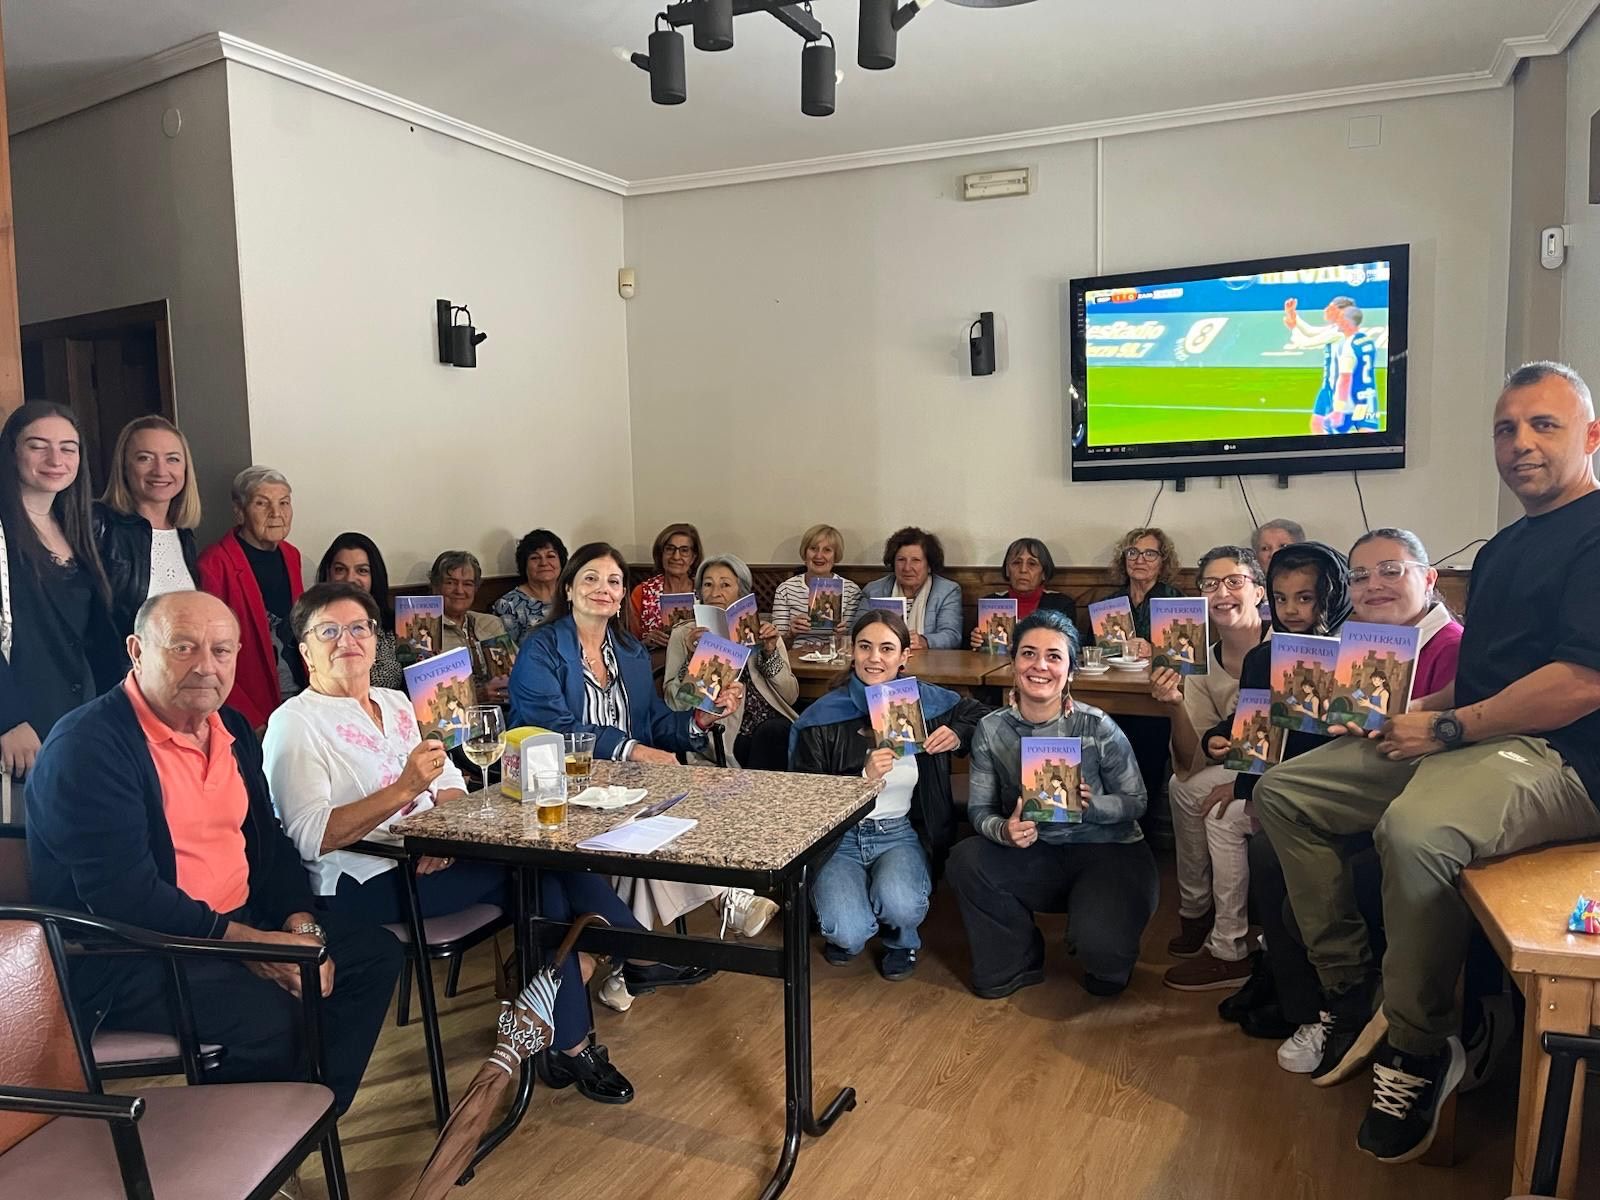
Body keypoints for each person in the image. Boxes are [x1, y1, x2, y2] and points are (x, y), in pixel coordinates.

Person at [1255, 363, 1600, 1168]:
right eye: (1505, 429)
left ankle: (1418, 1044)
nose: (1520, 444)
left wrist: (1444, 728)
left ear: (1590, 436)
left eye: (1544, 425)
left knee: (1415, 830)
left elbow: (1579, 682)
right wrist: (1417, 716)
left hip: (1565, 757)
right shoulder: (1510, 543)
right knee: (1284, 792)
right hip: (1479, 736)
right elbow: (1487, 672)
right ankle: (1349, 987)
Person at [263, 582, 642, 1104]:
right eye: (328, 630)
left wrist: (441, 818)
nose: (346, 640)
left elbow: (448, 779)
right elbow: (310, 837)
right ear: (305, 650)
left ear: (376, 643)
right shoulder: (293, 723)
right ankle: (623, 961)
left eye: (358, 629)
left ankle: (571, 1031)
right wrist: (405, 794)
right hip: (363, 880)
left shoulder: (396, 701)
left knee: (545, 885)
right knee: (543, 878)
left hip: (433, 856)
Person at [25, 590, 401, 1114]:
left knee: (373, 956)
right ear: (137, 651)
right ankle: (250, 1144)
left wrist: (300, 928)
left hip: (234, 922)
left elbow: (269, 847)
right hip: (130, 952)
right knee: (272, 1013)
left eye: (222, 651)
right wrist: (252, 949)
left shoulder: (233, 729)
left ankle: (303, 1124)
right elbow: (123, 898)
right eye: (183, 647)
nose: (206, 667)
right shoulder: (88, 747)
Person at [1255, 527, 1465, 1076]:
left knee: (1280, 821)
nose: (1374, 585)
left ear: (1429, 577)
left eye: (1391, 570)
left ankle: (1352, 999)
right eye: (1362, 575)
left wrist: (1407, 716)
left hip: (1426, 800)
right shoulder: (1360, 643)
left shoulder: (1457, 646)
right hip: (1356, 795)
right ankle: (1323, 998)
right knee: (1265, 838)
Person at [509, 542, 775, 968]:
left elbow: (655, 725)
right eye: (590, 579)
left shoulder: (629, 653)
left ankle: (622, 965)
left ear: (620, 597)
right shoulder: (541, 649)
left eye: (614, 581)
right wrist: (632, 750)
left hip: (622, 791)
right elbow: (555, 729)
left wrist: (701, 720)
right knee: (650, 827)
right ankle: (712, 910)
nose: (603, 588)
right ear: (570, 589)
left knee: (679, 807)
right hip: (558, 794)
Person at [946, 609, 1158, 998]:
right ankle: (1017, 957)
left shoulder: (1098, 726)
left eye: (1054, 656)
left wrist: (1094, 807)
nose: (1039, 665)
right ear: (1012, 665)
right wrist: (1004, 830)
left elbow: (1137, 801)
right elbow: (978, 810)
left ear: (1071, 672)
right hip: (1036, 850)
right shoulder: (992, 729)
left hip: (1107, 848)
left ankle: (1099, 939)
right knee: (966, 859)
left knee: (1104, 961)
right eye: (1028, 654)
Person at [790, 608, 988, 980]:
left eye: (886, 648)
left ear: (904, 657)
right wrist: (860, 778)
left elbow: (983, 715)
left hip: (899, 832)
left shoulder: (927, 703)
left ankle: (902, 938)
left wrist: (959, 733)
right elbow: (805, 797)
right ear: (852, 651)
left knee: (900, 904)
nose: (875, 658)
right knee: (847, 931)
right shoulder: (821, 717)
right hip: (839, 839)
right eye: (865, 647)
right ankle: (851, 924)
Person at [1150, 547, 1268, 992]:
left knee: (1220, 810)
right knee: (1182, 789)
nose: (1222, 592)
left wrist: (1242, 783)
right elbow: (1188, 760)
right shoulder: (1198, 660)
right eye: (1210, 584)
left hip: (1279, 767)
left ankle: (1228, 940)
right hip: (1236, 764)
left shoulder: (1285, 644)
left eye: (1235, 581)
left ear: (1258, 590)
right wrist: (1177, 703)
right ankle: (1196, 909)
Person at [0, 402, 124, 802]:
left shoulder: (82, 527)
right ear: (11, 452)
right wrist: (7, 719)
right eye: (38, 446)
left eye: (68, 448)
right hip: (22, 730)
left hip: (80, 720)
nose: (56, 459)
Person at [664, 554, 799, 770]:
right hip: (721, 729)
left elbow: (790, 697)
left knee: (776, 732)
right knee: (764, 739)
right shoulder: (684, 634)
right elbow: (675, 705)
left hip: (772, 722)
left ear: (741, 592)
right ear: (699, 592)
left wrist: (770, 652)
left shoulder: (762, 629)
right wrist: (694, 659)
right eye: (708, 584)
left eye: (725, 584)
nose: (715, 592)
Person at [198, 466, 304, 733]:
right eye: (262, 503)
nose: (276, 514)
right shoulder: (214, 565)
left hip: (299, 697)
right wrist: (251, 721)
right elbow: (211, 655)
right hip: (252, 708)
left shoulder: (292, 556)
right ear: (239, 511)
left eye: (284, 503)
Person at [95, 414, 202, 638]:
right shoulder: (100, 525)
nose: (160, 471)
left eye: (172, 459)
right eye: (145, 458)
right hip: (124, 671)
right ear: (124, 466)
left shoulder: (184, 536)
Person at [316, 532, 403, 690]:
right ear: (328, 574)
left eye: (361, 571)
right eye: (340, 569)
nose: (350, 579)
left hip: (393, 711)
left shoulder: (396, 626)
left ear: (374, 576)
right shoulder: (315, 628)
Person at [970, 537, 1080, 655]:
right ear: (1007, 570)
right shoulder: (989, 603)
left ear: (1044, 573)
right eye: (1016, 563)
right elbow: (972, 650)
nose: (1023, 570)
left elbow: (1071, 648)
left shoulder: (1061, 604)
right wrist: (976, 642)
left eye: (1032, 564)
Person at [430, 550, 511, 705]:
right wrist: (476, 695)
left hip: (503, 712)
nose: (459, 590)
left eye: (467, 584)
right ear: (435, 587)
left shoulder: (491, 623)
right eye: (450, 583)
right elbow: (424, 696)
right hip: (451, 723)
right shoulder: (425, 632)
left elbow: (512, 673)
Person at [861, 526, 962, 650]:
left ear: (929, 565)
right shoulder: (873, 590)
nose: (907, 568)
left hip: (929, 664)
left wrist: (924, 641)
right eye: (901, 560)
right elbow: (856, 631)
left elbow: (952, 636)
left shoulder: (947, 591)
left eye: (916, 560)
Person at [770, 523, 862, 638]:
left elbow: (856, 639)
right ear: (805, 553)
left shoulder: (851, 590)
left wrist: (843, 635)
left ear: (836, 556)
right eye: (813, 549)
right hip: (795, 653)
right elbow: (776, 645)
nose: (819, 555)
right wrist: (791, 633)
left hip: (836, 653)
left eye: (827, 550)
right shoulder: (786, 589)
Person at [629, 522, 702, 649]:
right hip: (655, 664)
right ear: (661, 554)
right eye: (670, 549)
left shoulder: (704, 591)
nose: (676, 556)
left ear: (693, 557)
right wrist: (645, 642)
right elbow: (628, 642)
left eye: (684, 550)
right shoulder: (641, 592)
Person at [493, 528, 568, 647]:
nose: (544, 563)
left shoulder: (574, 596)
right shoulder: (508, 605)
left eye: (551, 556)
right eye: (535, 558)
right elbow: (508, 654)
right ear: (524, 565)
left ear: (561, 561)